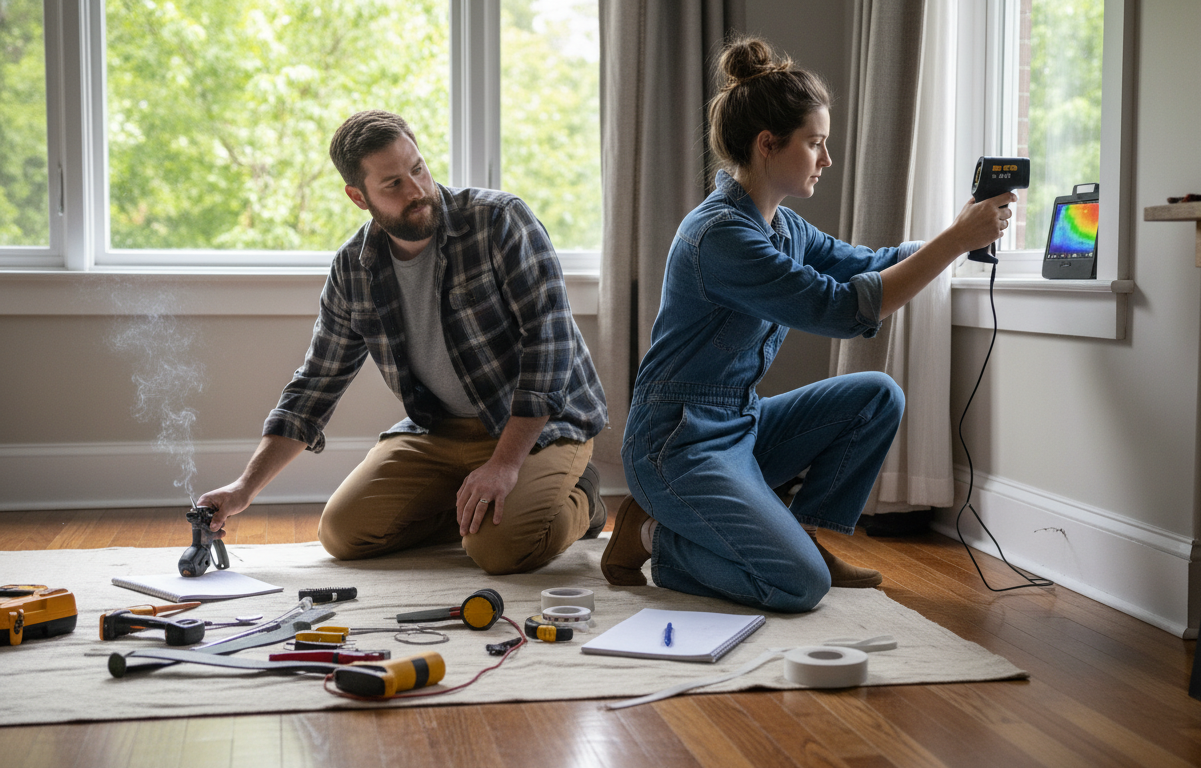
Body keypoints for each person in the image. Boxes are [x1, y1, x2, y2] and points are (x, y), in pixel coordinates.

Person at [600, 38, 1013, 612]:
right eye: (815, 143)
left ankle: (803, 536)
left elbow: (870, 265)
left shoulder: (786, 227)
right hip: (677, 440)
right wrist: (954, 242)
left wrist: (958, 235)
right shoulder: (720, 236)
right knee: (798, 586)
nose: (826, 159)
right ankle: (655, 537)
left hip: (738, 422)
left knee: (876, 395)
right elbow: (842, 309)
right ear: (769, 145)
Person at [198, 110, 608, 575]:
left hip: (537, 424)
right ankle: (478, 510)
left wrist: (504, 463)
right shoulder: (353, 269)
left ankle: (583, 500)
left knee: (500, 551)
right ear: (358, 196)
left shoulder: (500, 221)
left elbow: (549, 344)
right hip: (438, 431)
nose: (416, 190)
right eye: (392, 184)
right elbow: (314, 386)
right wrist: (242, 489)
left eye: (418, 169)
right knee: (343, 534)